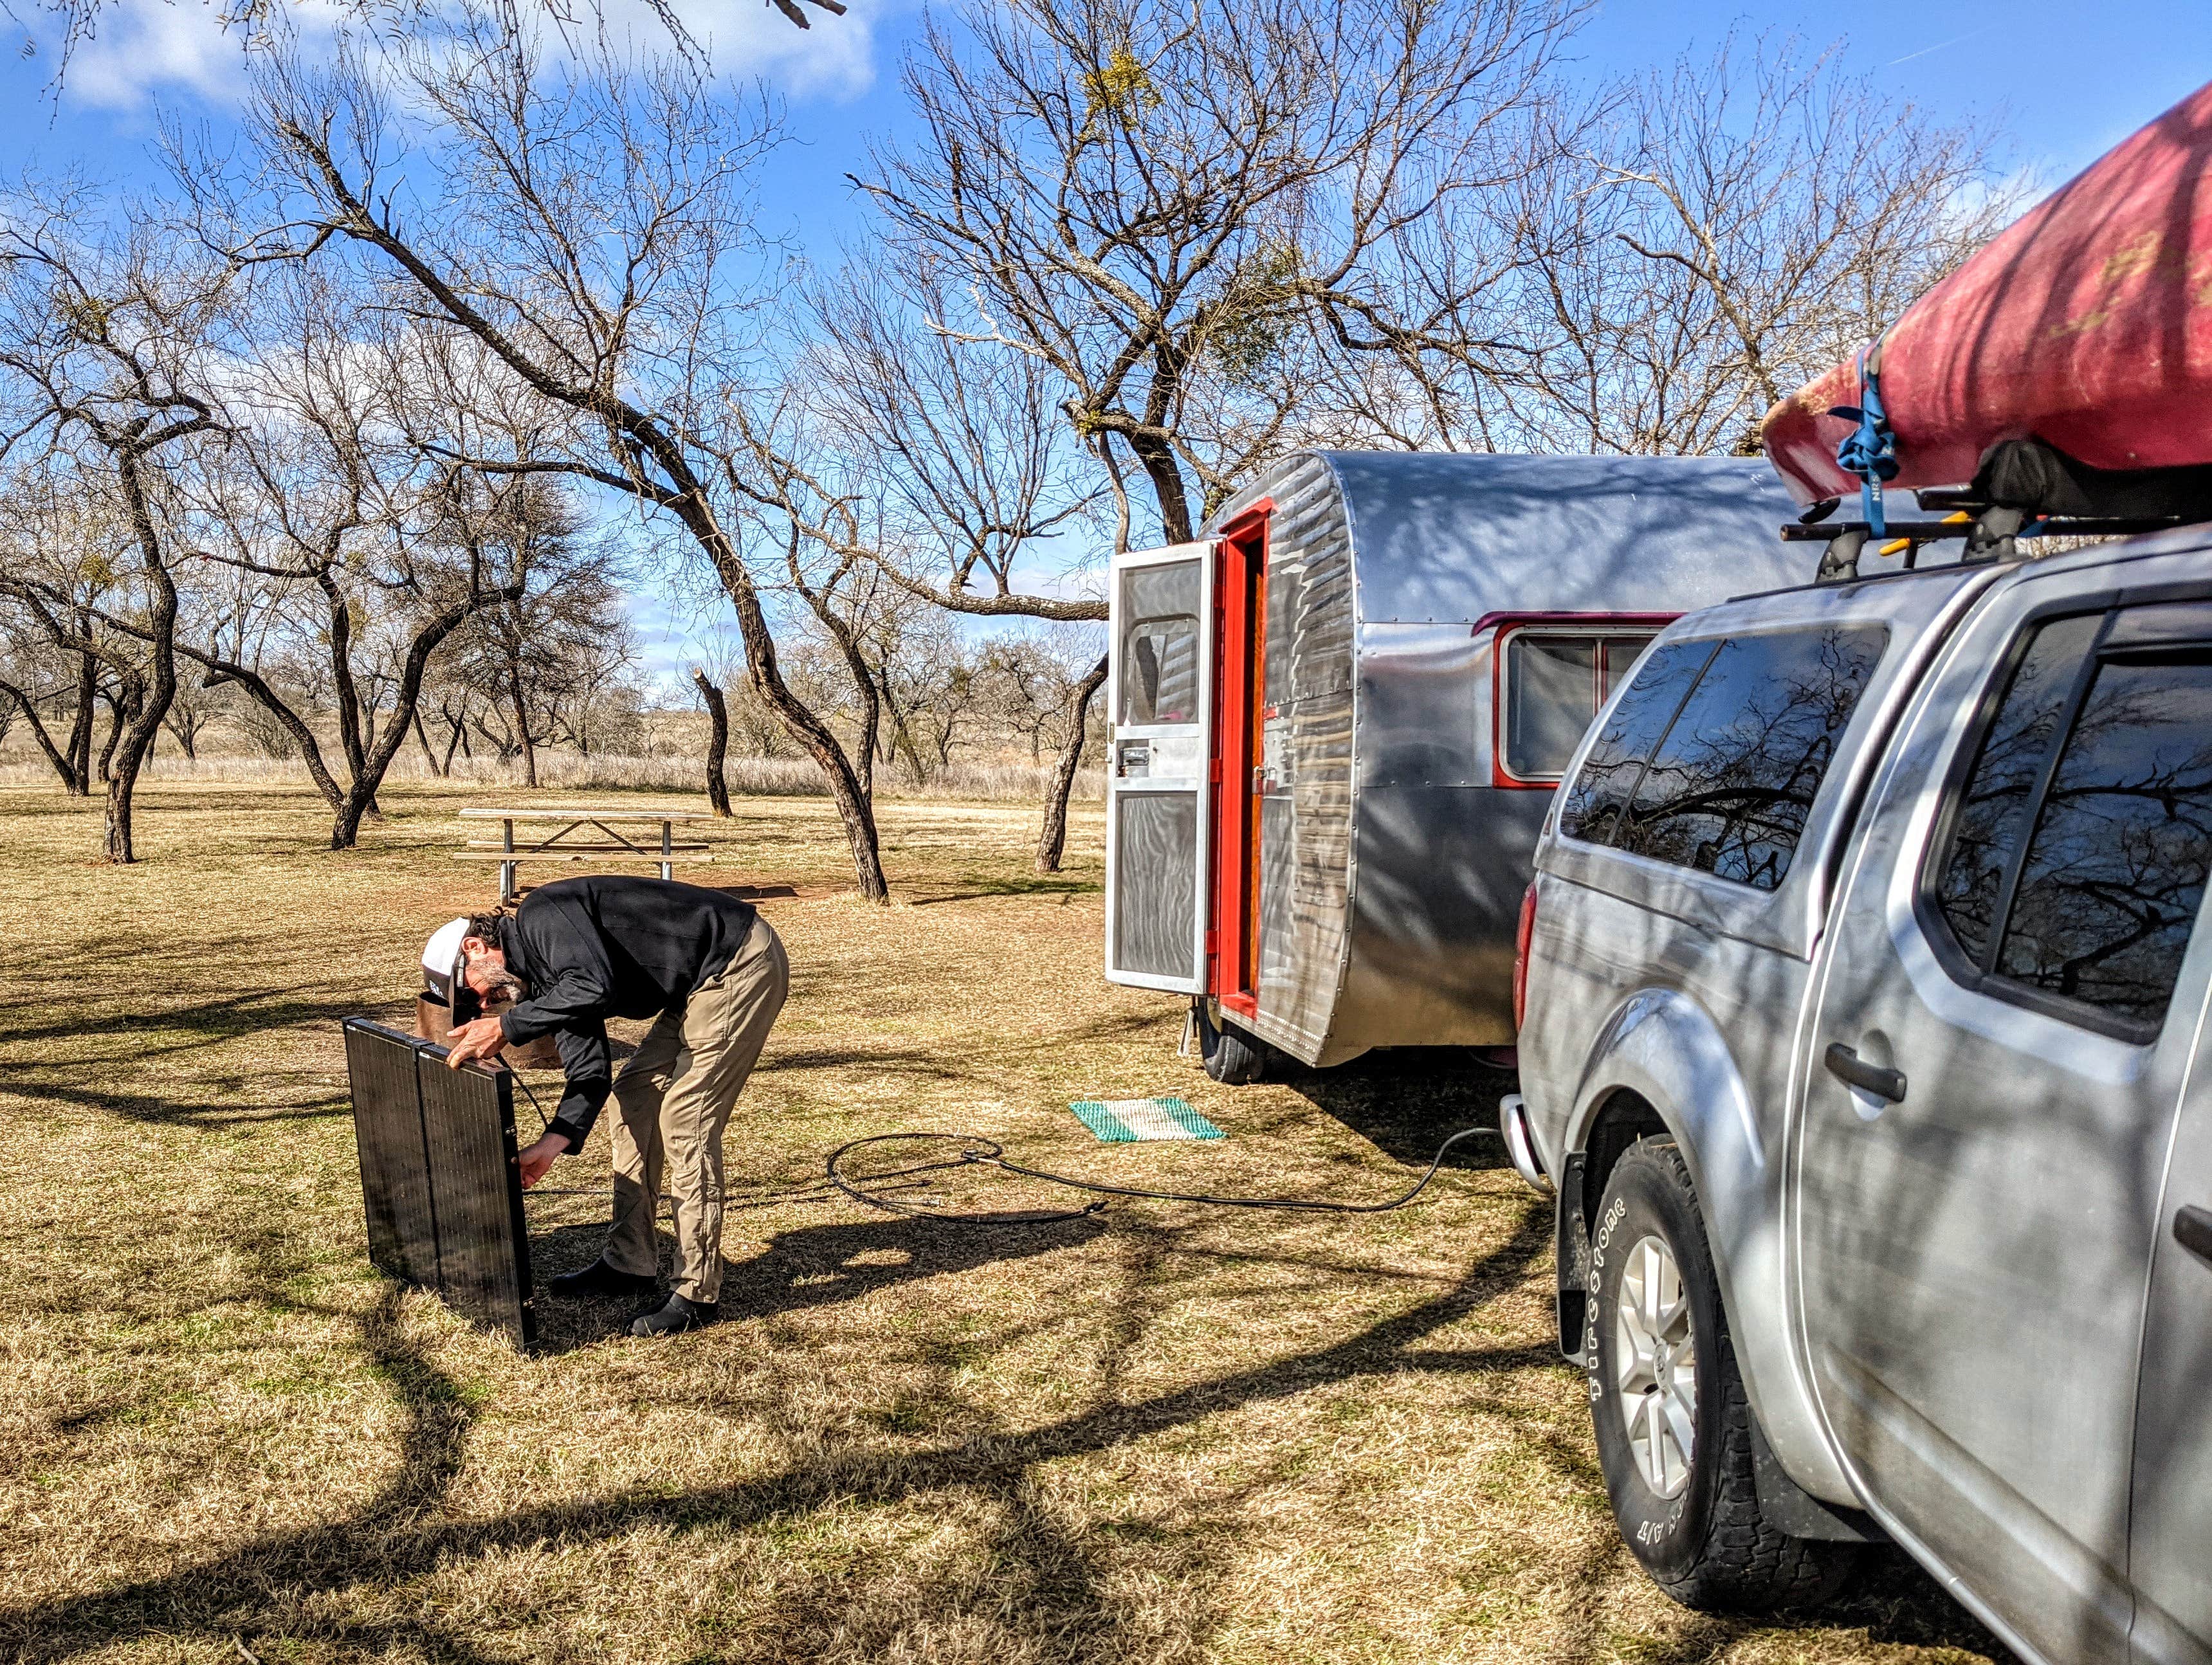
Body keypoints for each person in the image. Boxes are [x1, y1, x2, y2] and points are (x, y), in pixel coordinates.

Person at [422, 874, 789, 1336]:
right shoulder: (545, 987)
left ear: (475, 947)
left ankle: (697, 1291)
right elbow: (590, 1070)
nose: (481, 1003)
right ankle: (629, 1263)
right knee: (633, 1097)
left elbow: (593, 984)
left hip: (738, 961)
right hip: (695, 985)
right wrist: (552, 1143)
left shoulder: (543, 913)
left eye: (470, 991)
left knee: (685, 1117)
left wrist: (508, 1027)